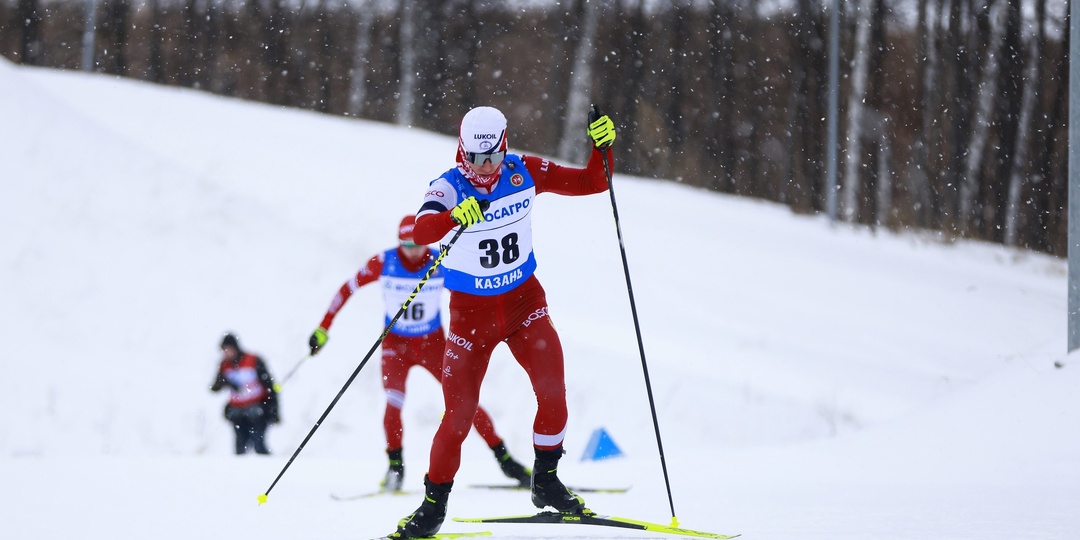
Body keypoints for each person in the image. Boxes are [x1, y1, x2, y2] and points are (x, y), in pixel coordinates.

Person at [393, 106, 616, 538]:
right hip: (470, 319)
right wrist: (453, 217)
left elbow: (593, 182)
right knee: (458, 418)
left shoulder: (524, 171)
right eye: (473, 159)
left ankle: (546, 482)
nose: (483, 168)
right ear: (461, 151)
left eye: (491, 157)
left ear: (504, 146)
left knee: (553, 392)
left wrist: (602, 149)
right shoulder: (448, 187)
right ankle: (431, 508)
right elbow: (420, 232)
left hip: (522, 304)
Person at [307, 215, 532, 492]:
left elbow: (476, 290)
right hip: (396, 346)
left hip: (433, 345)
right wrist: (324, 328)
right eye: (406, 244)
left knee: (464, 402)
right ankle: (395, 468)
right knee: (393, 403)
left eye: (418, 244)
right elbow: (347, 288)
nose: (413, 250)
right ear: (398, 243)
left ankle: (506, 460)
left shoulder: (440, 263)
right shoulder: (384, 262)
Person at [210, 333, 279, 455]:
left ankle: (269, 470)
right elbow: (215, 387)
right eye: (224, 350)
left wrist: (273, 410)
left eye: (229, 349)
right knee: (240, 447)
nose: (227, 353)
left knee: (259, 445)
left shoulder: (253, 360)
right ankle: (240, 472)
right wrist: (226, 381)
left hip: (257, 410)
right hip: (238, 413)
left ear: (236, 347)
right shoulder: (224, 365)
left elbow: (270, 386)